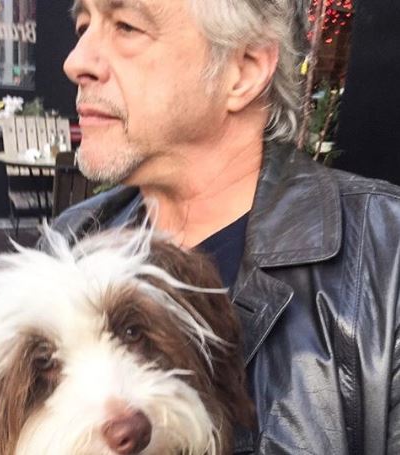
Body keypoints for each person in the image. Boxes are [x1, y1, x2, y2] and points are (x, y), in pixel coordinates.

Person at [50, 0, 400, 453]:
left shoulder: (386, 258)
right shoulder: (66, 244)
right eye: (84, 24)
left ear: (245, 70)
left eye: (126, 27)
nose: (76, 61)